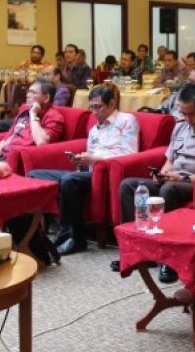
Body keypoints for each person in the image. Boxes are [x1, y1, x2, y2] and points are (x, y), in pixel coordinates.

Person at [119, 83, 195, 282]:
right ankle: (136, 250)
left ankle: (171, 260)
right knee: (129, 185)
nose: (187, 118)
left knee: (170, 189)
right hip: (173, 178)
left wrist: (182, 178)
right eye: (183, 113)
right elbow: (170, 159)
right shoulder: (181, 125)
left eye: (191, 114)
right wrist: (163, 173)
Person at [28, 85, 139, 255]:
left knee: (69, 181)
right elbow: (89, 157)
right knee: (34, 175)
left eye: (98, 107)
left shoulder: (126, 121)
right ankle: (37, 233)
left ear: (111, 104)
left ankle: (75, 238)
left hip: (107, 173)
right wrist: (80, 160)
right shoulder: (94, 129)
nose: (94, 112)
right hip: (89, 170)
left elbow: (130, 153)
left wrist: (95, 159)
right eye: (91, 107)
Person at [0, 80, 64, 163]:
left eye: (33, 92)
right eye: (28, 91)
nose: (27, 95)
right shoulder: (24, 110)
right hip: (2, 156)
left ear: (46, 97)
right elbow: (7, 139)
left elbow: (41, 142)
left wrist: (33, 114)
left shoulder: (54, 117)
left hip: (15, 159)